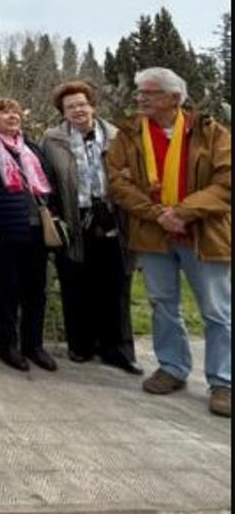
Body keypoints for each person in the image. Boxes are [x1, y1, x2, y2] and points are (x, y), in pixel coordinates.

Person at [107, 67, 230, 418]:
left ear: (174, 98)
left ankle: (223, 381)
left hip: (204, 235)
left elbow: (225, 181)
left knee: (217, 311)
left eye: (149, 92)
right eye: (139, 92)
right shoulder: (129, 134)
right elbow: (117, 182)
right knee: (162, 303)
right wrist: (158, 214)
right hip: (154, 234)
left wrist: (185, 212)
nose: (140, 98)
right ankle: (172, 367)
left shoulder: (211, 132)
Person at [41, 81, 142, 375]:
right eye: (70, 107)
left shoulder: (116, 135)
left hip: (111, 216)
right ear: (63, 112)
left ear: (93, 106)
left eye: (82, 104)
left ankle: (119, 349)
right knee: (76, 282)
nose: (77, 110)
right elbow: (47, 180)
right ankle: (81, 345)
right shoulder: (53, 140)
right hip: (74, 217)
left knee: (116, 283)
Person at [0, 98, 58, 373]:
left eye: (15, 112)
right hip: (3, 229)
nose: (13, 116)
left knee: (36, 291)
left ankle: (34, 345)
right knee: (7, 289)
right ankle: (6, 345)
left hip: (36, 229)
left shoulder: (31, 148)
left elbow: (48, 186)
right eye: (5, 112)